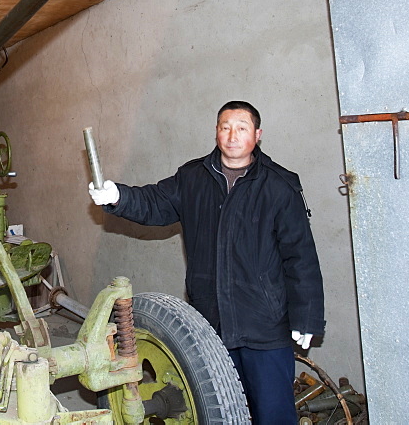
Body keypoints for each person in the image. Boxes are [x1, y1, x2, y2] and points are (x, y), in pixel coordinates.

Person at [88, 100, 324, 424]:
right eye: (225, 127)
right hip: (211, 324)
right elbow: (154, 203)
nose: (232, 135)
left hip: (264, 326)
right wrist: (118, 196)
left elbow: (301, 258)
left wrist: (307, 318)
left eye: (241, 128)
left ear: (257, 134)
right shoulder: (192, 178)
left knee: (272, 414)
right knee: (219, 414)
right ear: (216, 132)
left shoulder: (279, 186)